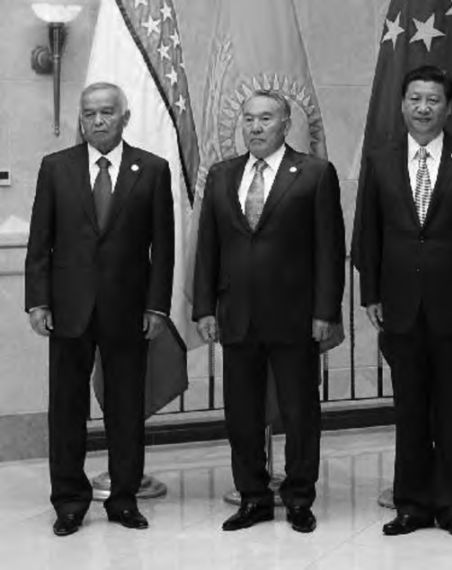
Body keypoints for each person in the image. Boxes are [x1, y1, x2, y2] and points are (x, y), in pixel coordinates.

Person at [355, 65, 452, 540]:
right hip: (399, 306)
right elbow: (367, 232)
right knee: (410, 410)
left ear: (448, 107)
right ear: (402, 104)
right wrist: (370, 292)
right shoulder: (380, 159)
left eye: (433, 100)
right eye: (415, 99)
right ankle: (412, 504)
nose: (423, 108)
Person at [192, 89, 345, 534]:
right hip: (236, 314)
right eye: (249, 119)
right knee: (241, 415)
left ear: (285, 124)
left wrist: (326, 310)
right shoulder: (222, 175)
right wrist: (204, 307)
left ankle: (299, 499)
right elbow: (208, 247)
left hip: (296, 315)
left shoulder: (315, 173)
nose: (255, 127)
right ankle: (253, 498)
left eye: (265, 119)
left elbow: (329, 248)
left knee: (300, 413)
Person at [24, 82, 174, 536]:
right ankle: (69, 502)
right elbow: (40, 242)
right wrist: (38, 300)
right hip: (68, 311)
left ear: (124, 117)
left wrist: (157, 307)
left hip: (129, 311)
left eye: (107, 112)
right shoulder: (56, 167)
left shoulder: (152, 169)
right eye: (89, 113)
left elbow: (164, 249)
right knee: (67, 409)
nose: (98, 120)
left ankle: (124, 499)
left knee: (125, 409)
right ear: (81, 119)